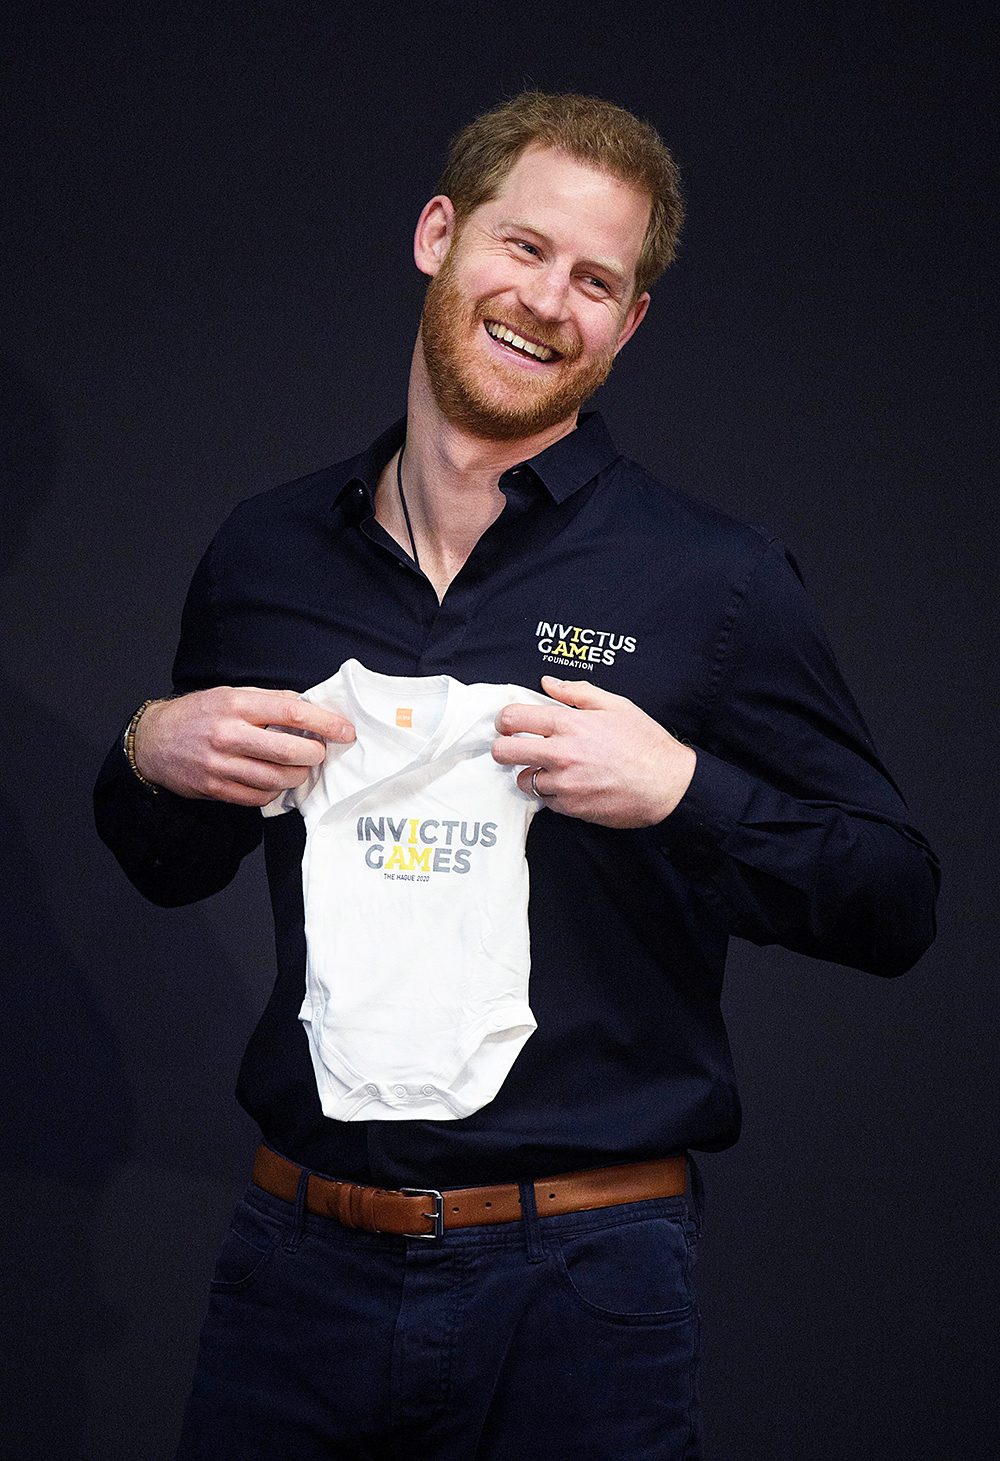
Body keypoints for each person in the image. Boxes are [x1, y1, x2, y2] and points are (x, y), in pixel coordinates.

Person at [94, 92, 938, 1460]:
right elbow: (165, 859)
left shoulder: (711, 580)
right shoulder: (264, 557)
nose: (549, 301)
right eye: (523, 247)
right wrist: (149, 749)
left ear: (630, 323)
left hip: (586, 1284)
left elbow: (897, 899)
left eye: (597, 280)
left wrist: (682, 789)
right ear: (440, 234)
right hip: (294, 1268)